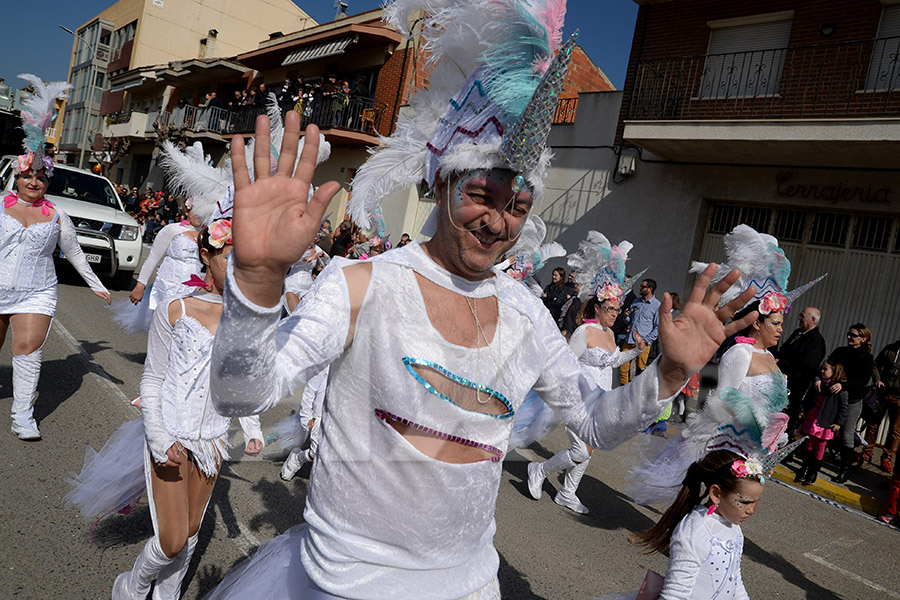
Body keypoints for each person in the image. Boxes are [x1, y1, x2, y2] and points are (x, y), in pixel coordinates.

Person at [204, 2, 756, 596]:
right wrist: (259, 283)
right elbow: (241, 394)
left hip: (469, 584)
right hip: (345, 581)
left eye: (517, 207)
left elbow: (593, 424)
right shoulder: (362, 284)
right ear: (442, 183)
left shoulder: (526, 312)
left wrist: (669, 371)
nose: (498, 222)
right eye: (481, 195)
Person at [104, 219, 264, 600]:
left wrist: (254, 430)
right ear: (206, 257)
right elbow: (153, 379)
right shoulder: (175, 308)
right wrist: (159, 438)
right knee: (172, 540)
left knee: (191, 534)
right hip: (171, 433)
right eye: (231, 261)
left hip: (211, 442)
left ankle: (166, 595)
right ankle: (132, 586)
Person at [629, 224, 822, 506]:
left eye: (782, 323)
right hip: (728, 443)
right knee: (723, 503)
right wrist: (752, 420)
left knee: (731, 508)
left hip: (752, 448)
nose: (781, 330)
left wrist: (774, 430)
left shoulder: (770, 358)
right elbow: (721, 398)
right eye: (775, 323)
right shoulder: (740, 353)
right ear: (757, 322)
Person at [0, 74, 111, 440]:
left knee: (28, 351)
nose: (33, 182)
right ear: (17, 176)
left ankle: (23, 416)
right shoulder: (0, 207)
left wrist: (96, 284)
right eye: (28, 176)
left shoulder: (57, 215)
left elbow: (74, 251)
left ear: (48, 182)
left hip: (38, 291)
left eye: (41, 178)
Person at [527, 233, 646, 514]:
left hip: (600, 398)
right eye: (609, 308)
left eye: (617, 309)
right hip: (577, 396)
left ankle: (567, 493)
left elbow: (613, 362)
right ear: (597, 307)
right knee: (580, 450)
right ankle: (540, 470)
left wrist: (637, 349)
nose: (615, 313)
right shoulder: (584, 331)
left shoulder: (609, 334)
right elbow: (566, 360)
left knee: (589, 450)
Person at [600, 450, 762, 600]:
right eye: (745, 502)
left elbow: (734, 579)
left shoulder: (734, 527)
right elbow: (674, 595)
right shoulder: (694, 532)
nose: (752, 510)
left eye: (757, 502)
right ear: (716, 494)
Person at [827, 323, 876, 482]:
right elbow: (828, 367)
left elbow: (862, 380)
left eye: (853, 335)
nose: (849, 337)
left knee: (846, 434)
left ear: (863, 339)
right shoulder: (840, 351)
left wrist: (844, 385)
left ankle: (843, 471)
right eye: (848, 334)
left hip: (852, 400)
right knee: (823, 428)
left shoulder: (866, 358)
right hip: (833, 397)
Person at [794, 359, 848, 485]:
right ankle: (805, 467)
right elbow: (808, 398)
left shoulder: (840, 390)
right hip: (813, 418)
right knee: (809, 444)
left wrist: (839, 423)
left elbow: (843, 408)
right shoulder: (818, 384)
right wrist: (802, 410)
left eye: (825, 369)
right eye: (822, 368)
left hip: (826, 421)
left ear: (834, 372)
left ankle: (814, 470)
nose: (822, 371)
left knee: (820, 446)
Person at [776, 307, 826, 434]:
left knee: (787, 415)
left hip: (795, 386)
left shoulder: (816, 341)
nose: (799, 319)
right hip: (779, 380)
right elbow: (785, 350)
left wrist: (782, 363)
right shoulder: (797, 333)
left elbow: (806, 364)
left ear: (813, 319)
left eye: (802, 316)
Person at [862, 338, 900, 473]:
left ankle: (887, 459)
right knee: (873, 424)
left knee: (895, 431)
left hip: (899, 398)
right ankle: (867, 451)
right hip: (883, 393)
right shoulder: (890, 349)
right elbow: (875, 364)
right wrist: (877, 380)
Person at [619, 278, 660, 384]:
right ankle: (622, 390)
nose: (640, 288)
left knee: (640, 370)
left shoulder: (656, 306)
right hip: (629, 339)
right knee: (623, 369)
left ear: (650, 289)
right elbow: (629, 320)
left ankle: (636, 393)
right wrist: (625, 316)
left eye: (643, 287)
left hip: (642, 342)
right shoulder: (636, 301)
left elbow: (657, 327)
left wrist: (646, 340)